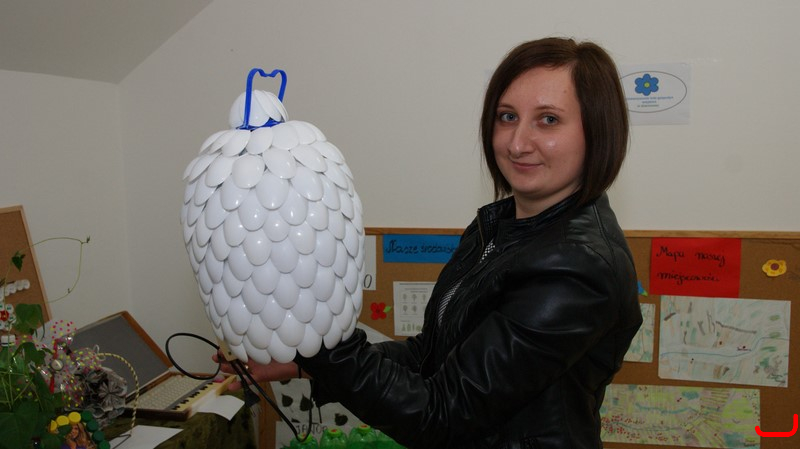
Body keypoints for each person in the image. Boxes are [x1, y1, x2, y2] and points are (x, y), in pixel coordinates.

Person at [218, 36, 643, 449]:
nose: (516, 143)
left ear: (597, 132)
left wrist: (324, 350)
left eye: (548, 120)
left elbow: (442, 415)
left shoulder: (576, 266)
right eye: (507, 116)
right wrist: (302, 360)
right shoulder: (499, 227)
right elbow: (432, 356)